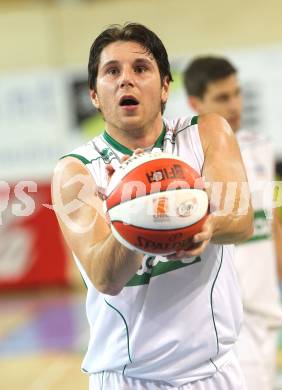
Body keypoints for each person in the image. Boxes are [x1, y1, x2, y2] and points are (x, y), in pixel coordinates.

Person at [52, 24, 253, 390]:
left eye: (140, 68)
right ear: (95, 95)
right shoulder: (75, 171)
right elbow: (104, 276)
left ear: (164, 87)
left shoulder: (206, 132)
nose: (125, 80)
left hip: (214, 372)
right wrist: (134, 209)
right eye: (112, 71)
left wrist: (202, 223)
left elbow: (240, 219)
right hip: (130, 377)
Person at [183, 56, 282, 390]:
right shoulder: (189, 161)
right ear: (195, 103)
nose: (234, 105)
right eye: (222, 97)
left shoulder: (260, 147)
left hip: (267, 317)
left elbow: (271, 228)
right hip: (227, 325)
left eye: (237, 93)